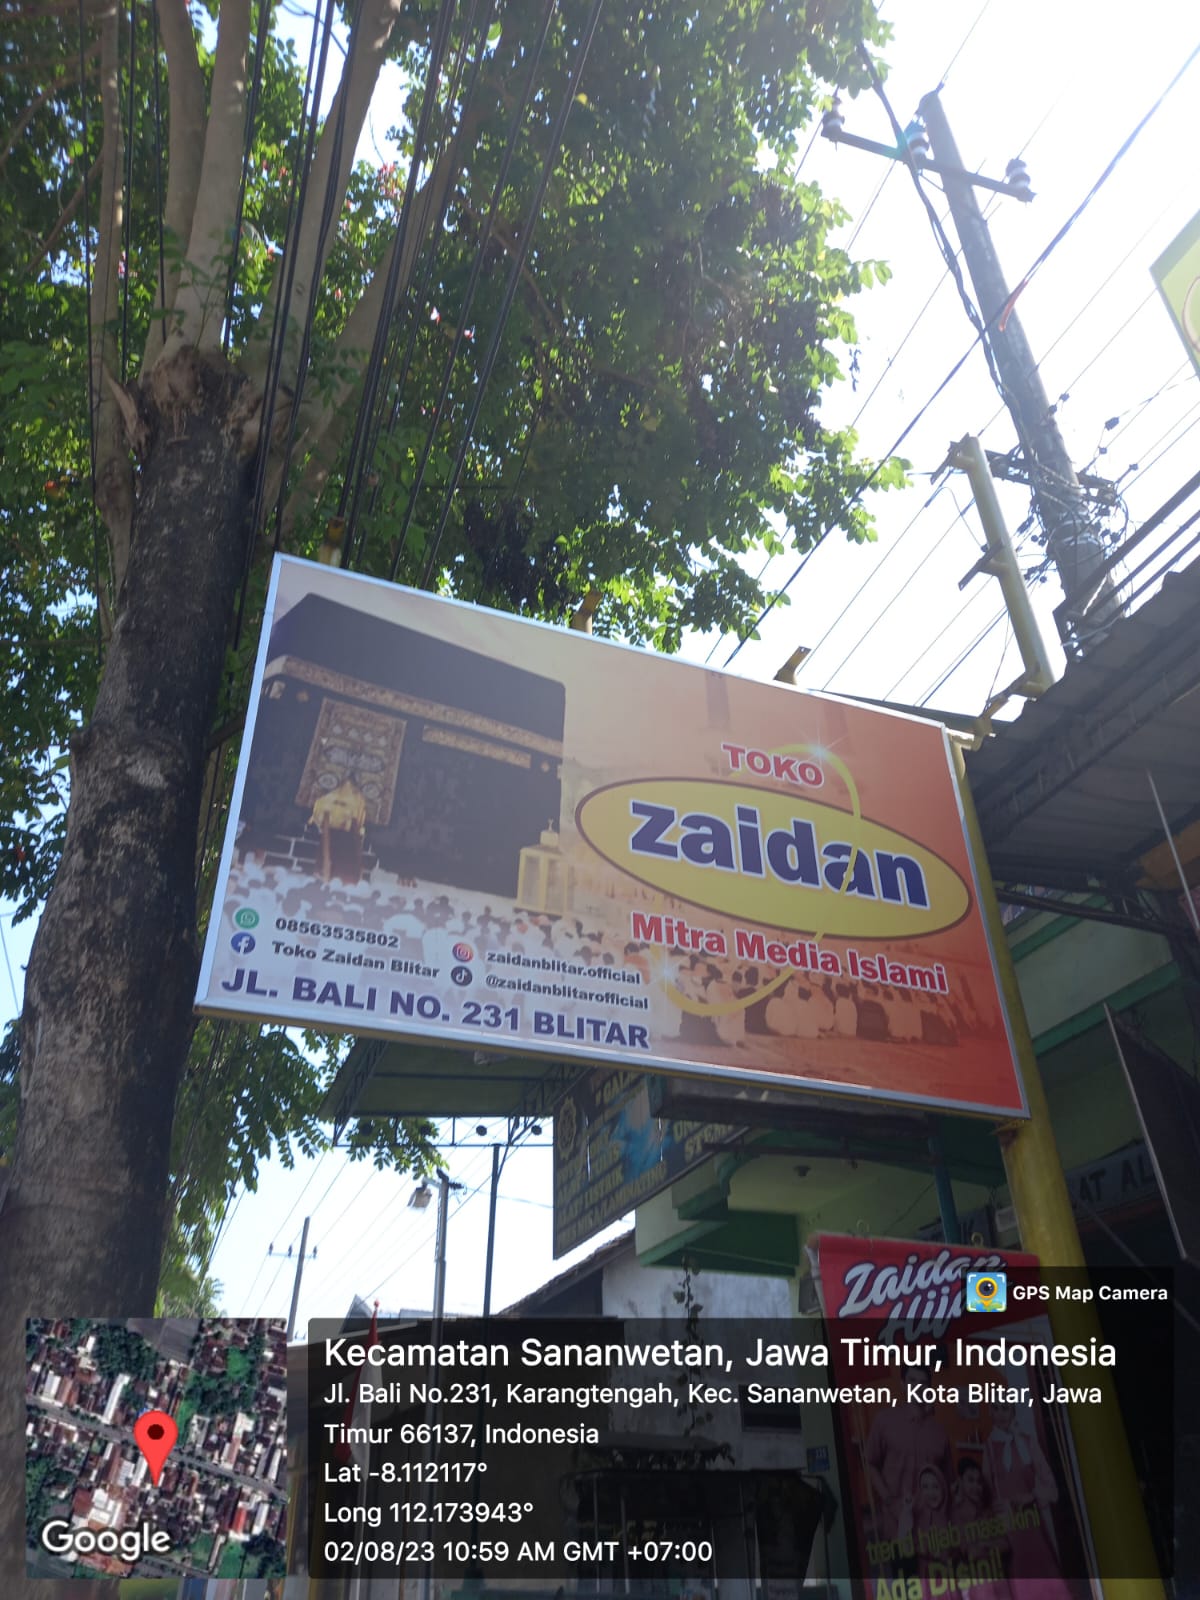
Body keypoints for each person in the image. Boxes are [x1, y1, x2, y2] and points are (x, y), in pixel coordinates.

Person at [982, 1398, 1074, 1599]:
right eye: (996, 1408)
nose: (1001, 1413)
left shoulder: (1028, 1442)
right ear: (990, 1413)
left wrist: (1030, 1496)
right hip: (1009, 1527)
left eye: (1005, 1408)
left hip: (1032, 1522)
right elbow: (986, 1492)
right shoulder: (988, 1448)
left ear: (1013, 1412)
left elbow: (1051, 1488)